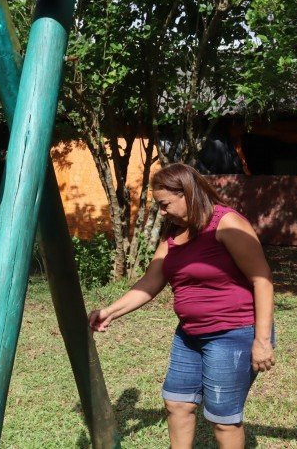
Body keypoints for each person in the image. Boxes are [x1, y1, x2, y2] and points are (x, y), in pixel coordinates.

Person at [89, 163, 275, 449]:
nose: (162, 212)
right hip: (189, 335)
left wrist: (262, 341)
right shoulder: (173, 235)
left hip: (232, 333)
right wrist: (109, 312)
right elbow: (151, 282)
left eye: (165, 205)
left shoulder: (227, 223)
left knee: (223, 419)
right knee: (177, 403)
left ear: (187, 193)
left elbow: (262, 282)